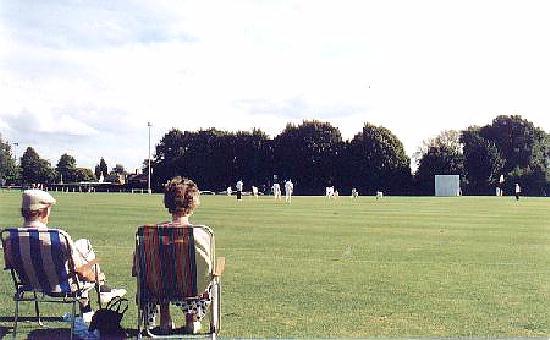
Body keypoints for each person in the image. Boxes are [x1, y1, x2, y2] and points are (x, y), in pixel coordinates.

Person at [20, 190, 126, 322]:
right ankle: (102, 288)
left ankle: (87, 310)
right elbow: (81, 271)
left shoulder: (10, 239)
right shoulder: (58, 237)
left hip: (32, 284)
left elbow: (14, 267)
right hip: (62, 285)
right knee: (87, 257)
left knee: (82, 245)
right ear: (44, 212)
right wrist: (97, 278)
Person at [147, 177, 212, 334]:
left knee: (162, 273)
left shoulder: (152, 234)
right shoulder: (201, 233)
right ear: (193, 203)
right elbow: (207, 267)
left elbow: (140, 264)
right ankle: (192, 320)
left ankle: (165, 320)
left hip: (159, 288)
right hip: (192, 287)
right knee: (193, 273)